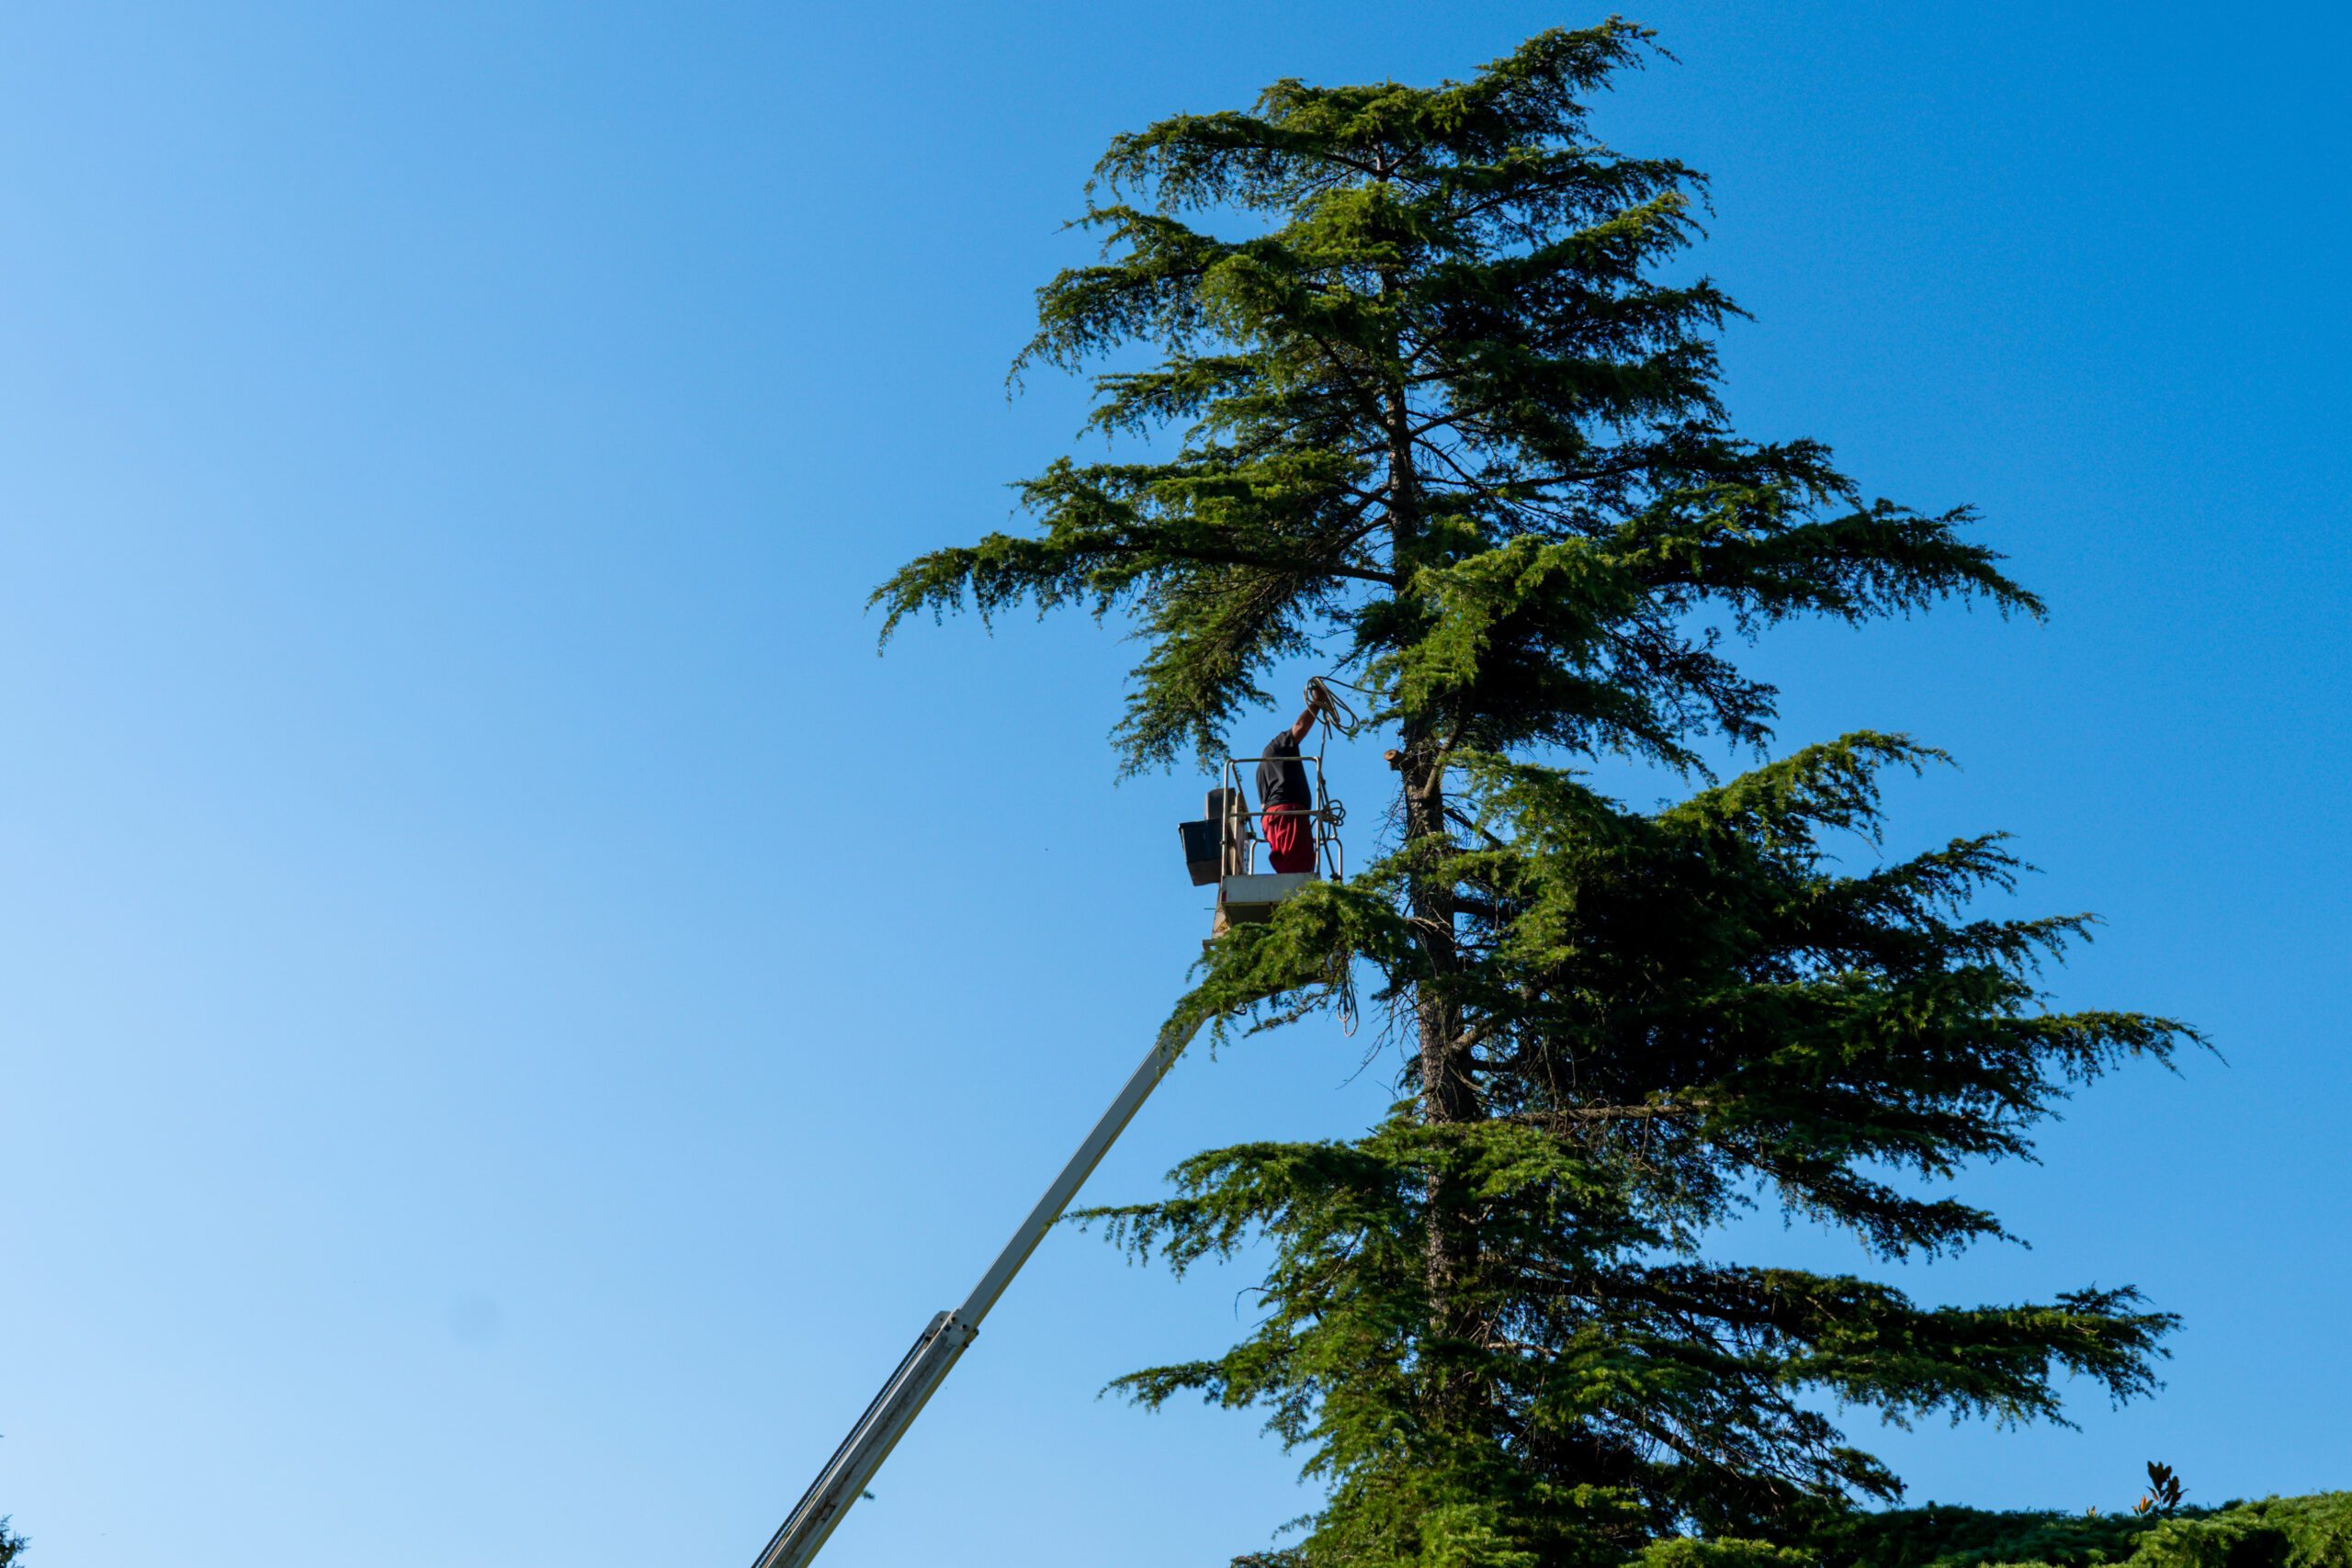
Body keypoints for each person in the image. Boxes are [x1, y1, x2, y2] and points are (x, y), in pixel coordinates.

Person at [1256, 683, 1324, 874]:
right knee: (1298, 866)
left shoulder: (1262, 768)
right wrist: (1317, 702)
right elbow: (1300, 727)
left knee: (1287, 861)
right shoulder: (1278, 746)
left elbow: (1263, 806)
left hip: (1271, 817)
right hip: (1288, 813)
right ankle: (1297, 901)